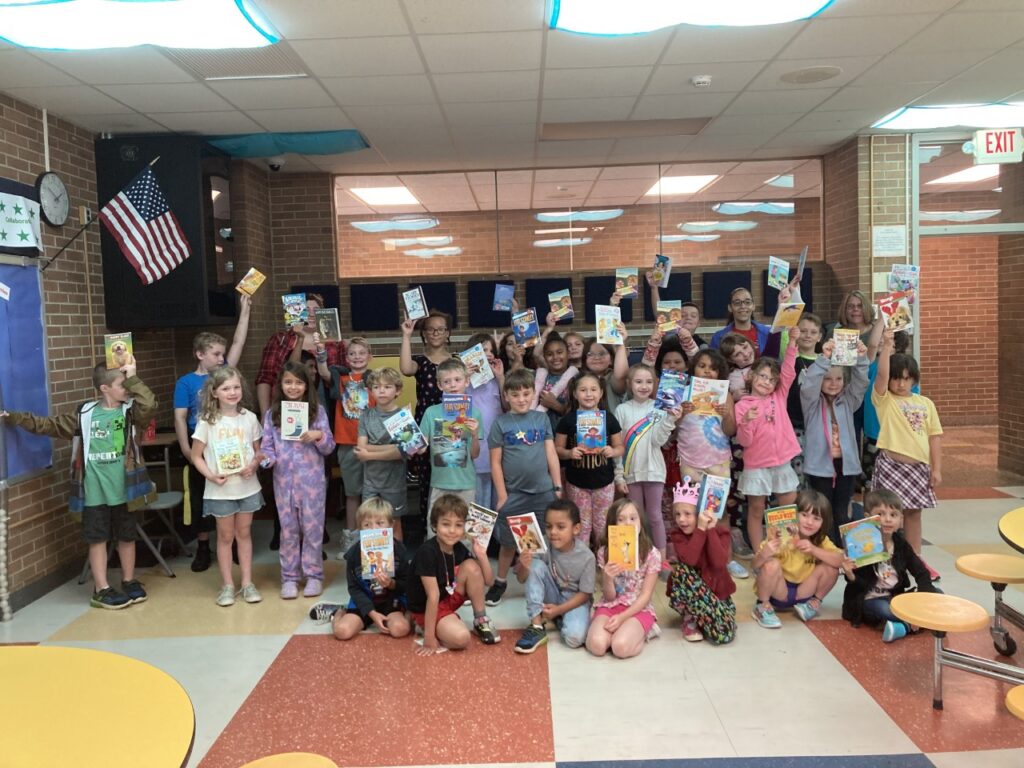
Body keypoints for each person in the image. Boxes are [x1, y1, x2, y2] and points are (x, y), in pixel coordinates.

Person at [2, 356, 156, 609]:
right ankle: (102, 588)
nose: (127, 389)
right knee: (97, 539)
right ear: (104, 388)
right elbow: (47, 425)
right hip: (94, 492)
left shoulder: (130, 412)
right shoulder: (84, 414)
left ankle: (129, 580)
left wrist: (133, 376)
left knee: (127, 536)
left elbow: (149, 404)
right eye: (122, 384)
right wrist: (14, 417)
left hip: (125, 490)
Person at [172, 295, 252, 573]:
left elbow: (239, 342)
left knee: (231, 494)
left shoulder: (224, 376)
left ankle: (231, 545)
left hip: (228, 444)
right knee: (202, 497)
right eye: (216, 354)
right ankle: (204, 546)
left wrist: (245, 311)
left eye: (222, 354)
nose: (221, 358)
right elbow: (181, 417)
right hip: (201, 447)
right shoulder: (186, 382)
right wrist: (185, 447)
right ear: (200, 354)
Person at [871, 328, 943, 579]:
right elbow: (880, 375)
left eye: (906, 378)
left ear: (914, 379)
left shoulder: (926, 404)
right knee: (886, 515)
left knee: (913, 513)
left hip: (918, 468)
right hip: (891, 466)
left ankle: (917, 561)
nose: (901, 383)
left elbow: (935, 437)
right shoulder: (885, 400)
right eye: (896, 378)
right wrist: (887, 346)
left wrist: (936, 469)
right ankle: (883, 559)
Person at [260, 361, 336, 599]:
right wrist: (263, 461)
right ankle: (290, 578)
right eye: (288, 382)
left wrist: (318, 435)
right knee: (288, 531)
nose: (293, 387)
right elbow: (267, 448)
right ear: (280, 385)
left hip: (312, 483)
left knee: (313, 530)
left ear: (307, 385)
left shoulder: (318, 412)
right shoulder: (273, 414)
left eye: (299, 382)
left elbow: (329, 447)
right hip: (283, 482)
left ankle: (313, 575)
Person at [486, 368, 562, 606]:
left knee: (539, 544)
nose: (521, 399)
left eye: (525, 393)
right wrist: (502, 496)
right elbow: (495, 463)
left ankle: (536, 580)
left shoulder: (541, 419)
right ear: (506, 396)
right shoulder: (501, 423)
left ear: (533, 394)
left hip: (542, 493)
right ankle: (500, 581)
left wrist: (557, 486)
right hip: (514, 495)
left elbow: (551, 453)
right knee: (509, 543)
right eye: (515, 394)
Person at [190, 367, 264, 607]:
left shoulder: (250, 418)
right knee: (225, 536)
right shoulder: (206, 421)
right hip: (220, 489)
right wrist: (211, 476)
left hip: (247, 487)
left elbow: (258, 451)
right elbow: (196, 456)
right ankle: (227, 586)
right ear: (214, 392)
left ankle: (247, 582)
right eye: (226, 388)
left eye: (236, 387)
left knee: (244, 534)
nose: (232, 392)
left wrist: (253, 465)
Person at [677, 348, 747, 580]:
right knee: (692, 512)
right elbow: (670, 430)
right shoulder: (682, 392)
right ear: (693, 368)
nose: (707, 372)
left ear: (720, 374)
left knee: (720, 510)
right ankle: (697, 560)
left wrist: (727, 414)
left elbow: (730, 430)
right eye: (702, 366)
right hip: (689, 461)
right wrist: (679, 413)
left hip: (717, 460)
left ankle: (725, 559)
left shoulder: (724, 395)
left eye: (713, 368)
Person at [841, 489, 939, 642]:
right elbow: (858, 585)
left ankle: (903, 626)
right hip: (868, 600)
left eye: (893, 515)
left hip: (894, 597)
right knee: (884, 609)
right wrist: (850, 574)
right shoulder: (861, 545)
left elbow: (921, 572)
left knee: (937, 594)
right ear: (868, 518)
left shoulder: (901, 545)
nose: (887, 519)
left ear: (901, 519)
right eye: (880, 514)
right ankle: (912, 623)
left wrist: (926, 598)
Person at [407, 494, 501, 653]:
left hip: (447, 597)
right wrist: (429, 637)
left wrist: (482, 555)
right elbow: (433, 596)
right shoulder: (427, 552)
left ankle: (481, 620)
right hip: (427, 607)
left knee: (472, 566)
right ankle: (422, 625)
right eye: (446, 524)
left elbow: (489, 582)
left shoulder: (459, 548)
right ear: (435, 525)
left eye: (458, 525)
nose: (452, 531)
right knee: (461, 638)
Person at [734, 332, 801, 552]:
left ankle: (786, 551)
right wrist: (745, 422)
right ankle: (759, 553)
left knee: (788, 506)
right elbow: (744, 441)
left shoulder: (778, 396)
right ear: (750, 376)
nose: (767, 382)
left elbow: (789, 371)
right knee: (756, 509)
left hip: (781, 462)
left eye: (772, 379)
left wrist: (792, 343)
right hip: (757, 465)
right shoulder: (742, 406)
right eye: (762, 376)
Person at [310, 497, 411, 641]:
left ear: (391, 525)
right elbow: (354, 588)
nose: (374, 529)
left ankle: (410, 613)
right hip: (364, 600)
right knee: (342, 632)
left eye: (380, 523)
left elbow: (406, 584)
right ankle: (339, 611)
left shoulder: (399, 551)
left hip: (390, 600)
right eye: (367, 525)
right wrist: (371, 613)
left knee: (401, 629)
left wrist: (391, 584)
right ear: (359, 529)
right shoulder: (353, 555)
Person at [800, 337, 869, 546]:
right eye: (828, 379)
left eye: (838, 379)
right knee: (822, 510)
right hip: (820, 467)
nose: (833, 383)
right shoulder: (811, 403)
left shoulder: (848, 401)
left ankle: (843, 551)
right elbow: (809, 384)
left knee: (841, 509)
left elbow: (861, 382)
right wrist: (823, 359)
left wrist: (861, 357)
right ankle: (824, 550)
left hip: (846, 467)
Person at [614, 363, 680, 559]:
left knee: (655, 516)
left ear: (656, 384)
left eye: (649, 382)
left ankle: (661, 559)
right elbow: (618, 446)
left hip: (654, 471)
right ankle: (635, 557)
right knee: (634, 518)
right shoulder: (621, 410)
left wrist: (669, 419)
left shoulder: (660, 408)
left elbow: (658, 441)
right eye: (638, 381)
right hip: (630, 473)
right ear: (629, 384)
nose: (644, 386)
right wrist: (619, 476)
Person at [751, 489, 842, 629]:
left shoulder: (821, 540)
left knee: (831, 566)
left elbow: (840, 560)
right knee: (771, 564)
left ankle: (814, 603)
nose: (810, 522)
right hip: (778, 592)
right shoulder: (781, 535)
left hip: (803, 595)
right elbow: (755, 565)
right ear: (794, 514)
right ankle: (762, 606)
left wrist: (813, 549)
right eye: (804, 515)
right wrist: (764, 553)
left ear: (824, 522)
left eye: (816, 518)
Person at [513, 499, 595, 654]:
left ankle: (558, 619)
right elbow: (523, 579)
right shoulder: (541, 544)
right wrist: (524, 566)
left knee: (574, 639)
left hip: (575, 599)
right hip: (552, 594)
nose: (553, 532)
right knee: (535, 565)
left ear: (576, 529)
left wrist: (559, 610)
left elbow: (585, 594)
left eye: (561, 527)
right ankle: (537, 626)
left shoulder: (587, 557)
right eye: (549, 526)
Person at [586, 498, 663, 658]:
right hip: (611, 605)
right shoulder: (604, 552)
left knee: (620, 647)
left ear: (641, 523)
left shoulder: (652, 554)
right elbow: (609, 597)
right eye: (620, 519)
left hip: (638, 608)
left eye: (633, 518)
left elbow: (645, 595)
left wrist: (622, 618)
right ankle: (622, 633)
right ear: (612, 526)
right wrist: (607, 578)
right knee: (597, 645)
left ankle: (647, 630)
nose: (628, 523)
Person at [317, 335, 373, 555]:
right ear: (346, 358)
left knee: (371, 494)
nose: (357, 357)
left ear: (370, 356)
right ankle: (351, 538)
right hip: (347, 443)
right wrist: (321, 352)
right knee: (352, 493)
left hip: (372, 445)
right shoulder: (340, 379)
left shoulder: (374, 379)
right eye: (352, 354)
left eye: (361, 353)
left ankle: (370, 540)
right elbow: (322, 372)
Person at [555, 372, 624, 548]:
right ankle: (583, 564)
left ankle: (603, 565)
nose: (588, 394)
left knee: (602, 526)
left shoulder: (608, 418)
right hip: (577, 484)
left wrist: (612, 450)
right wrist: (570, 453)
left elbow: (620, 447)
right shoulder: (568, 420)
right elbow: (557, 449)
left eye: (593, 389)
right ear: (575, 394)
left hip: (604, 483)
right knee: (582, 527)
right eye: (583, 390)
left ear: (601, 393)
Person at [400, 310, 453, 536]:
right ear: (424, 334)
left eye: (440, 329)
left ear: (447, 333)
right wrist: (406, 335)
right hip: (424, 425)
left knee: (449, 478)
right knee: (427, 480)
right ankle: (429, 532)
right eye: (430, 329)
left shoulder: (456, 361)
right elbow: (405, 368)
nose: (435, 333)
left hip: (451, 426)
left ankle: (450, 529)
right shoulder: (420, 362)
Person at [666, 479, 736, 644]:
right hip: (692, 597)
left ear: (702, 512)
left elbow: (719, 563)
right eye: (678, 514)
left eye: (687, 514)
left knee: (723, 635)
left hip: (717, 595)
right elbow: (689, 559)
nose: (681, 520)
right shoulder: (678, 535)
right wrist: (700, 530)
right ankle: (690, 618)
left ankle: (705, 618)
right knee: (682, 571)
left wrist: (709, 529)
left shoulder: (721, 533)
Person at [356, 367, 420, 542]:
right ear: (370, 391)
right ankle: (373, 566)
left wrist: (370, 453)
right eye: (376, 387)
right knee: (369, 523)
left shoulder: (403, 416)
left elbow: (408, 451)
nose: (381, 390)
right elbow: (361, 447)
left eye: (387, 386)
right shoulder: (366, 416)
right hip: (371, 482)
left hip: (394, 484)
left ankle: (397, 563)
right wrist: (393, 448)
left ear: (397, 390)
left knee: (394, 524)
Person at [418, 358, 483, 510]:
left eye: (457, 380)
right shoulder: (431, 412)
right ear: (440, 385)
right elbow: (420, 449)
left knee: (466, 529)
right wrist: (406, 427)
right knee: (435, 529)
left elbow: (475, 454)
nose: (453, 385)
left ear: (467, 381)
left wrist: (474, 435)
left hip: (466, 482)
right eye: (447, 381)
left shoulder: (474, 413)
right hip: (440, 483)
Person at [462, 333, 505, 509]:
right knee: (477, 500)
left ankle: (496, 536)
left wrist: (501, 378)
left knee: (497, 500)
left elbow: (507, 405)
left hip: (495, 448)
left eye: (490, 350)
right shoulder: (463, 382)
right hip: (474, 449)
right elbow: (452, 408)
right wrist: (464, 378)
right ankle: (478, 537)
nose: (487, 353)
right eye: (482, 349)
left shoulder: (496, 380)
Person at [786, 312, 823, 486]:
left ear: (820, 337)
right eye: (803, 331)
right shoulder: (789, 358)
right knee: (795, 477)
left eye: (813, 332)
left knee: (816, 476)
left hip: (817, 426)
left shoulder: (825, 362)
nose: (808, 335)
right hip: (793, 424)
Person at [709, 287, 778, 357]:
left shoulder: (768, 334)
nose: (743, 306)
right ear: (730, 308)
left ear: (753, 306)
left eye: (747, 302)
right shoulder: (718, 338)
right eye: (737, 303)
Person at [532, 332, 577, 431]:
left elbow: (580, 413)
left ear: (568, 354)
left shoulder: (577, 379)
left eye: (560, 352)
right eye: (549, 354)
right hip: (539, 434)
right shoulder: (536, 377)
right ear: (544, 357)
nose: (555, 357)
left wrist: (555, 405)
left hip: (565, 434)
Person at [720, 333, 758, 401]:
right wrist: (733, 397)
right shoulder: (729, 377)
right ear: (731, 360)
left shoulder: (764, 366)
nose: (745, 354)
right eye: (738, 354)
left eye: (745, 347)